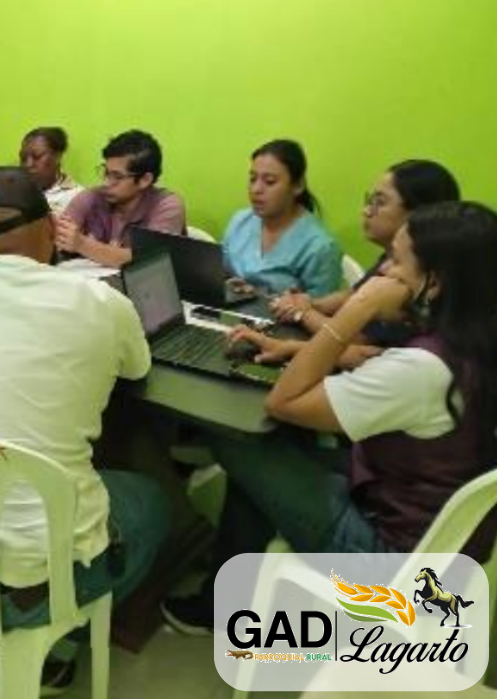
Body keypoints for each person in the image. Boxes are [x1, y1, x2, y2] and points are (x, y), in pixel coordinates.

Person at [162, 201, 497, 634]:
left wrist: (359, 307)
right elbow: (375, 358)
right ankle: (224, 597)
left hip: (388, 561)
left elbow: (284, 402)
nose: (382, 272)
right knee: (268, 467)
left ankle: (218, 593)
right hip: (424, 523)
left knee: (238, 438)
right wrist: (294, 348)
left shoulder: (423, 370)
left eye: (396, 262)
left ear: (433, 283)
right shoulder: (469, 338)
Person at [0, 166, 168, 690]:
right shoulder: (102, 305)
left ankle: (3, 637)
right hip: (36, 579)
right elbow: (137, 369)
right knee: (152, 501)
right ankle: (57, 635)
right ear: (51, 227)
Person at [240, 160, 461, 367]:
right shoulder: (394, 259)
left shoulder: (415, 284)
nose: (366, 211)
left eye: (379, 203)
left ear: (419, 215)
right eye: (369, 200)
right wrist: (311, 303)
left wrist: (303, 313)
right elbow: (354, 295)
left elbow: (357, 343)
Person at [222, 139, 342, 297]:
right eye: (252, 179)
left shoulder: (320, 247)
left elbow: (323, 307)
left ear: (298, 185)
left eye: (269, 182)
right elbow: (221, 272)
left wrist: (263, 298)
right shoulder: (240, 221)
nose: (256, 189)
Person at [57, 129, 184, 267]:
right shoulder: (91, 197)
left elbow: (149, 263)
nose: (106, 183)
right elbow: (57, 243)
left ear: (145, 180)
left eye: (117, 176)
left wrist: (82, 244)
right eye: (106, 172)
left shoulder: (167, 205)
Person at [19, 126, 83, 214]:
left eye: (37, 156)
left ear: (57, 157)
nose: (28, 164)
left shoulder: (77, 197)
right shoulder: (15, 194)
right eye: (23, 158)